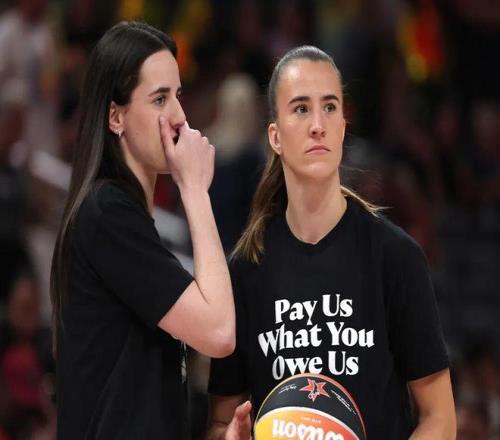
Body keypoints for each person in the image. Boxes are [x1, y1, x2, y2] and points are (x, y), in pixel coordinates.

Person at [207, 46, 456, 439]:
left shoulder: (395, 256)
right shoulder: (245, 270)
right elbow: (221, 421)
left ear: (342, 126)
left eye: (329, 107)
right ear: (275, 136)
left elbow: (439, 418)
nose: (317, 124)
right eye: (301, 108)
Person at [50, 21, 235, 439]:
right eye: (159, 99)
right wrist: (195, 191)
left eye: (178, 96)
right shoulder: (106, 214)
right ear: (115, 116)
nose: (180, 118)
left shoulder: (120, 215)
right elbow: (219, 332)